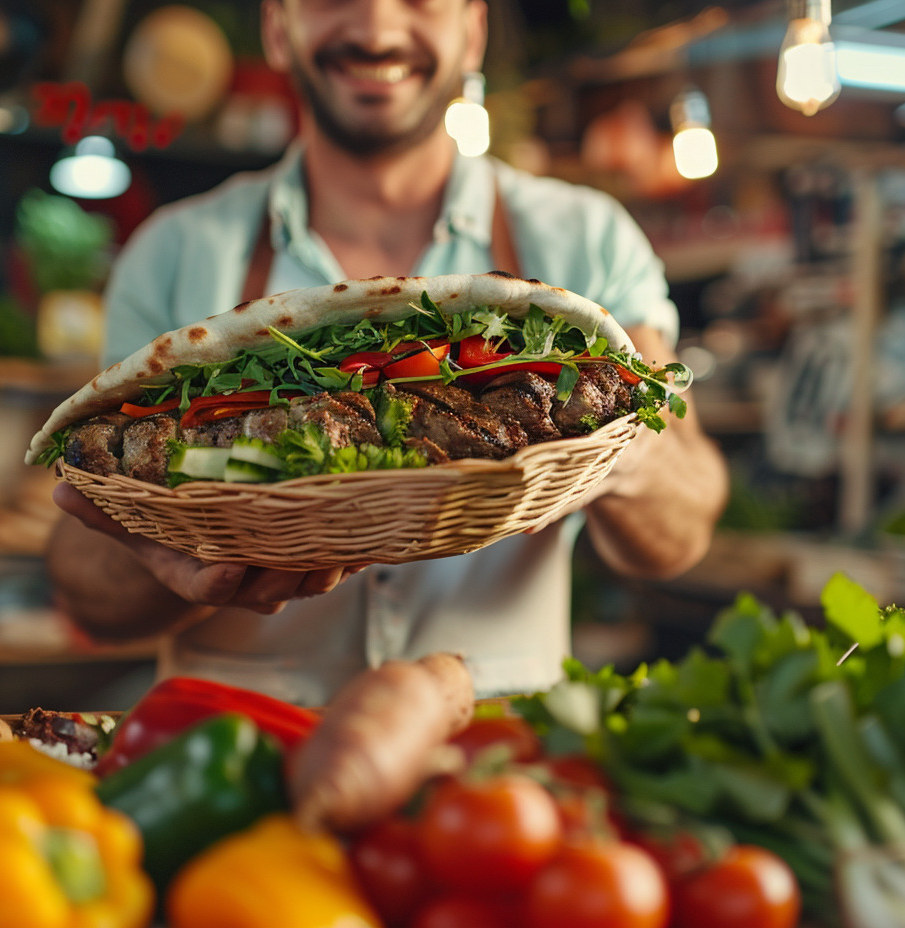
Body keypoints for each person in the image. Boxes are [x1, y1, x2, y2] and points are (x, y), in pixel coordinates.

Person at [46, 0, 728, 705]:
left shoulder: (587, 240)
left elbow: (681, 532)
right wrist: (174, 554)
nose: (376, 28)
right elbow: (84, 584)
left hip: (498, 766)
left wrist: (619, 442)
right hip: (235, 758)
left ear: (474, 30)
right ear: (279, 28)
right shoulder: (172, 253)